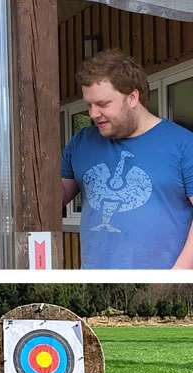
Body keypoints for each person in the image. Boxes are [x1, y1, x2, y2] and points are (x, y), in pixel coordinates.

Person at [61, 48, 193, 269]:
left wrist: (179, 273)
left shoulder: (184, 144)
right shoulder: (81, 143)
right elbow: (48, 201)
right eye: (88, 105)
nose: (93, 114)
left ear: (132, 97)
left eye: (103, 104)